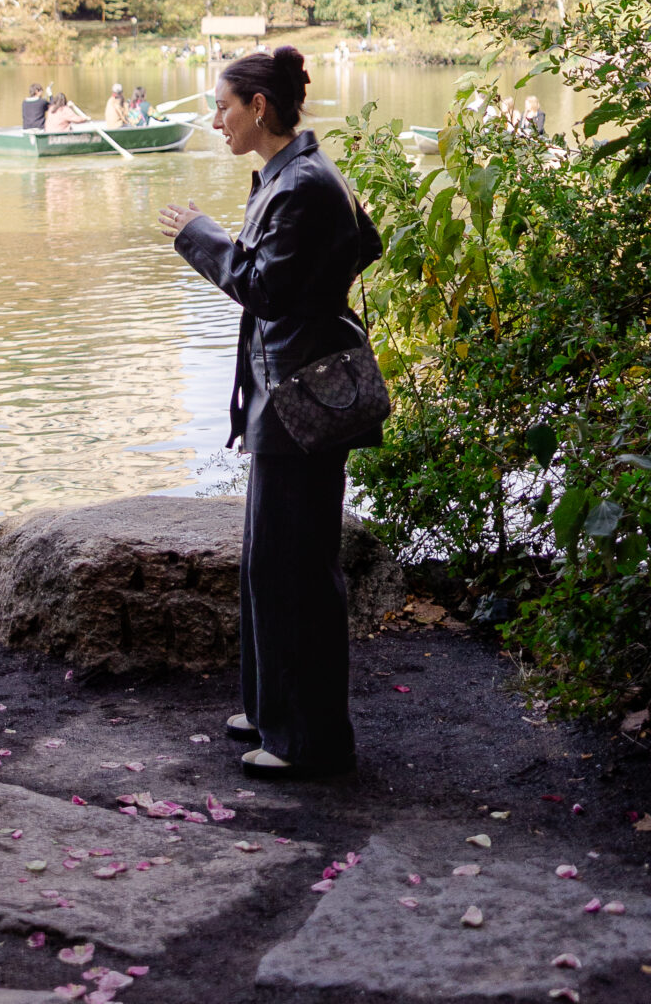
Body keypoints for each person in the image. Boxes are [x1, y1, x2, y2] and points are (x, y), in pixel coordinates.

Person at [159, 45, 381, 781]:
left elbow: (262, 289)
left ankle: (308, 741)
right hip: (288, 394)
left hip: (301, 399)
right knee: (269, 562)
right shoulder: (295, 174)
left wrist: (199, 233)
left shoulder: (305, 182)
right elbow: (363, 245)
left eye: (221, 106)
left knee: (295, 572)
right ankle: (268, 709)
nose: (214, 120)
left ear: (259, 107)